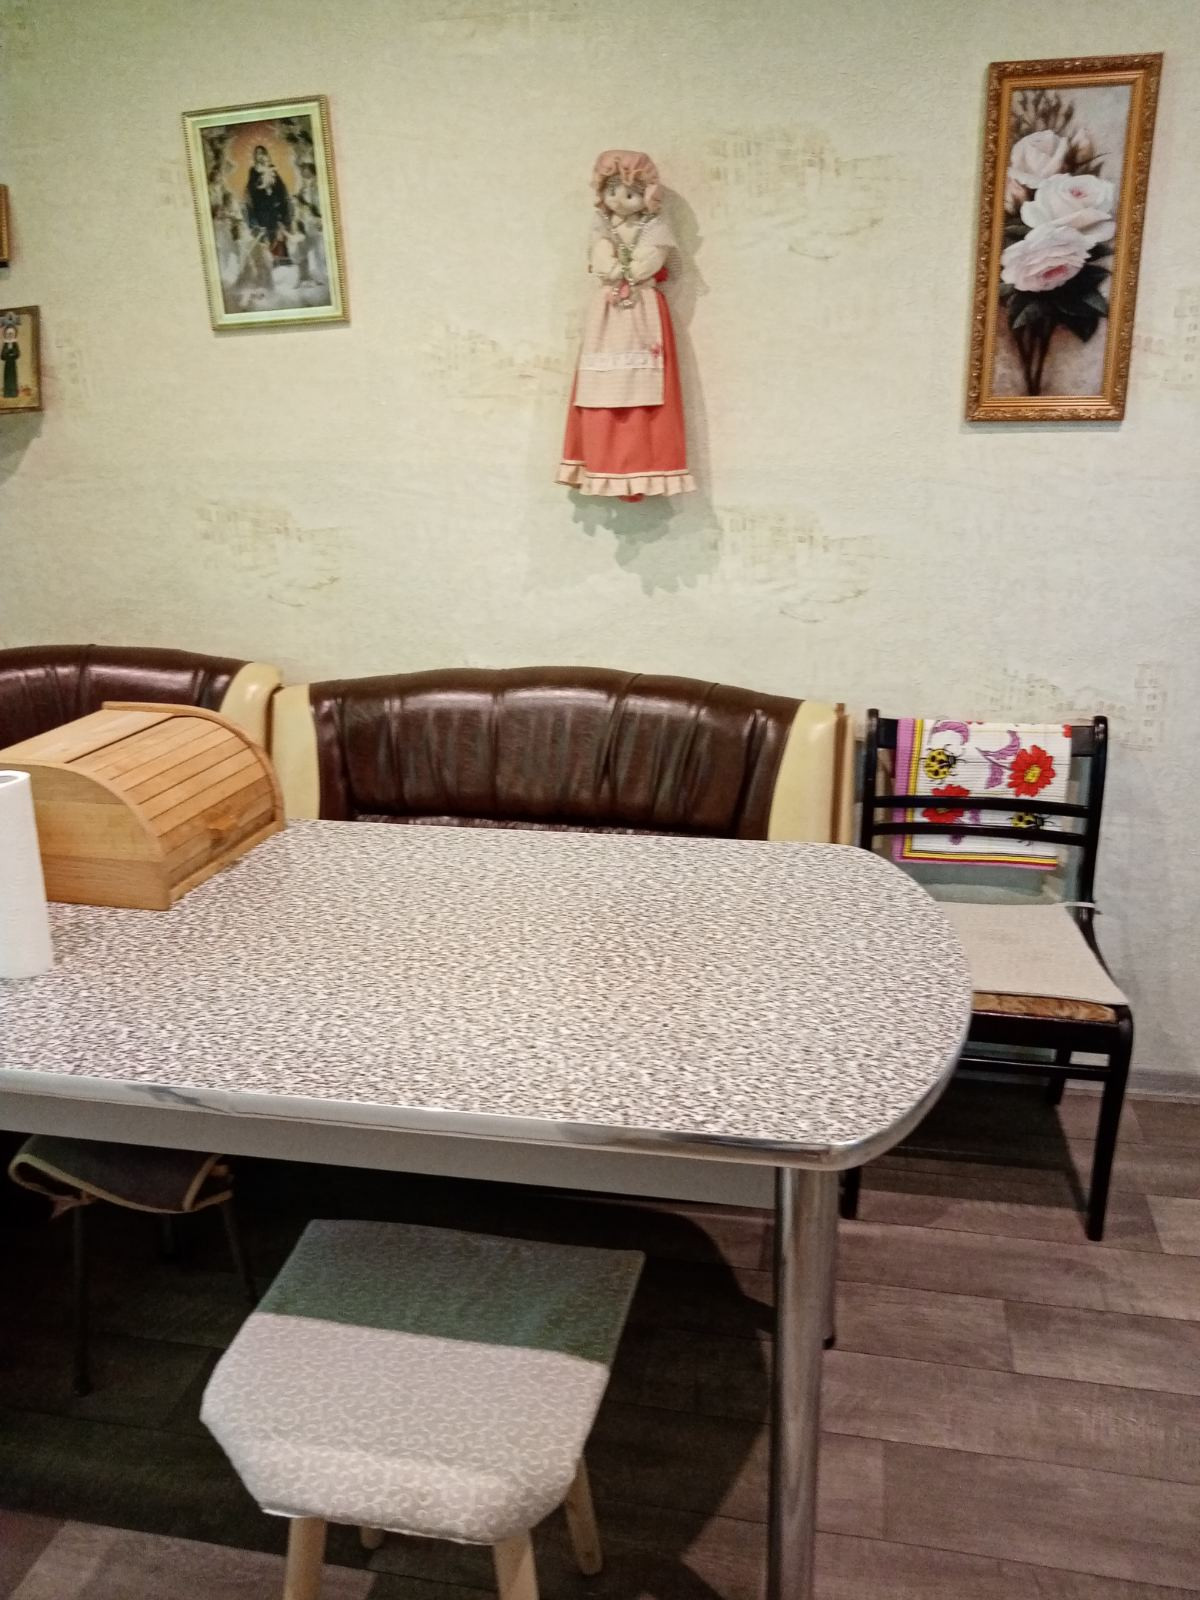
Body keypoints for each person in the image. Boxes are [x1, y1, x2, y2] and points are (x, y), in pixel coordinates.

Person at [558, 150, 695, 500]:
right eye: (612, 190)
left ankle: (642, 465)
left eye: (630, 193)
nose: (620, 200)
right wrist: (613, 268)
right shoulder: (601, 227)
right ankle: (603, 461)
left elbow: (653, 257)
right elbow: (600, 254)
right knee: (600, 384)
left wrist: (630, 272)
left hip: (642, 309)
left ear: (647, 195)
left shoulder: (655, 227)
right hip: (606, 312)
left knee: (647, 387)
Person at [244, 143, 292, 263]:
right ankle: (272, 260)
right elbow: (251, 188)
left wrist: (276, 191)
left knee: (279, 231)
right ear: (255, 156)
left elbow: (281, 187)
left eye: (262, 153)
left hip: (274, 205)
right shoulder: (253, 170)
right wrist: (261, 183)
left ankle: (283, 259)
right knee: (269, 233)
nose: (260, 156)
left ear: (266, 155)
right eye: (257, 154)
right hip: (263, 207)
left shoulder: (272, 167)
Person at [1, 321, 19, 400]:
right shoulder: (5, 344)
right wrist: (9, 352)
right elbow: (2, 356)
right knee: (7, 379)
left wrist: (11, 353)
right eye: (8, 334)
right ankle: (7, 394)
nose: (10, 335)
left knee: (13, 378)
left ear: (13, 334)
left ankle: (14, 394)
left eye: (11, 334)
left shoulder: (15, 343)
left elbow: (17, 354)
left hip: (13, 364)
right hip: (7, 364)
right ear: (6, 335)